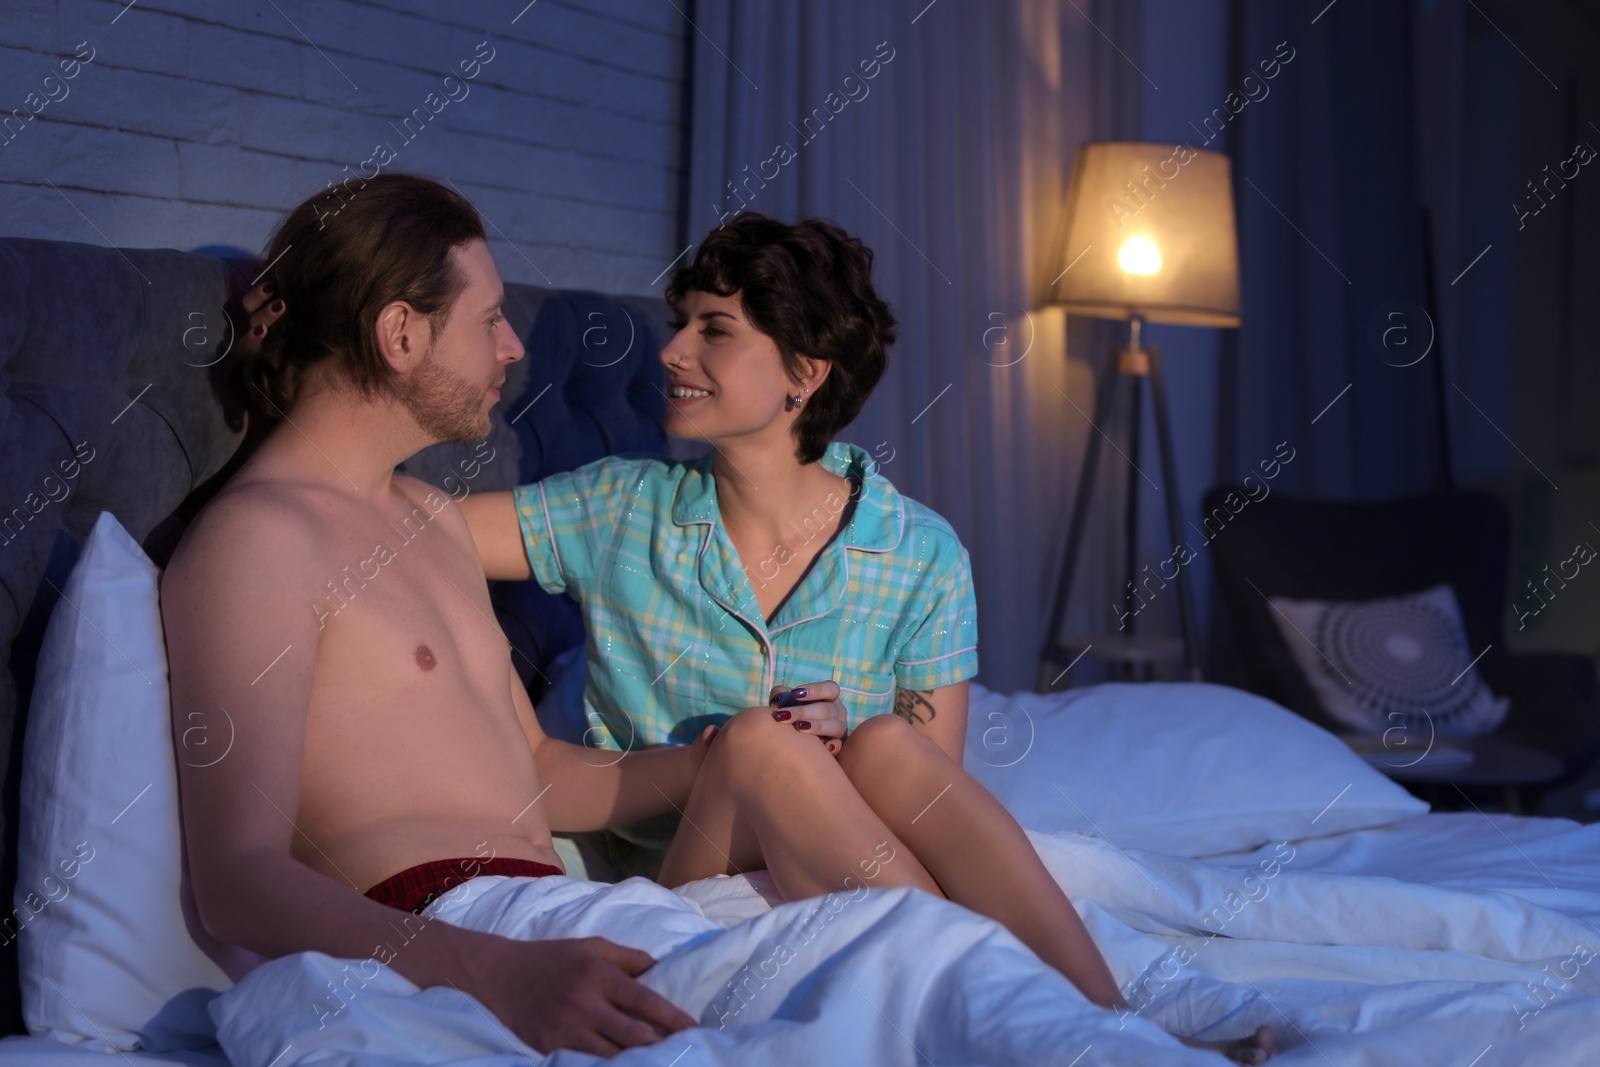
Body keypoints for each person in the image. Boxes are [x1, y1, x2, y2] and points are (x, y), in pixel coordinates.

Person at [229, 196, 1273, 1063]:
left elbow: (929, 791)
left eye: (711, 330)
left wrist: (821, 743)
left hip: (853, 842)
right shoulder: (619, 507)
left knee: (886, 744)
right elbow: (379, 531)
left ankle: (1102, 1015)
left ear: (803, 373)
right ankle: (1047, 1026)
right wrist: (298, 381)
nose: (669, 351)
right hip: (677, 869)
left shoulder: (920, 555)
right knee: (772, 747)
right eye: (678, 320)